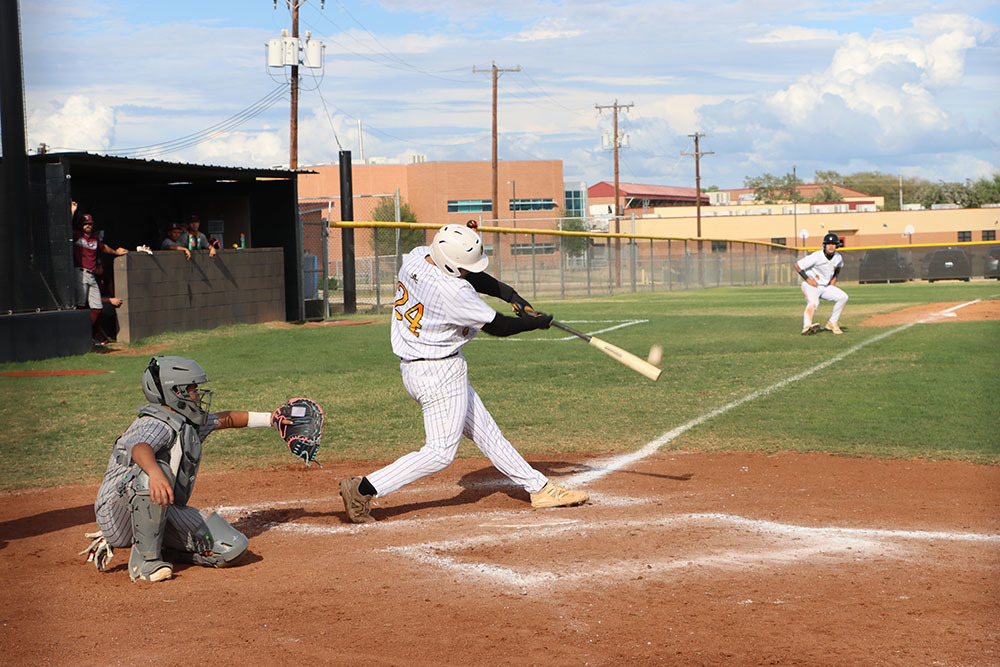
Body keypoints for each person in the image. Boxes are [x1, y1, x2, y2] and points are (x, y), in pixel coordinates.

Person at [339, 224, 589, 523]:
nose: (469, 272)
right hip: (439, 372)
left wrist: (510, 295)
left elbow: (468, 273)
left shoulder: (417, 257)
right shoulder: (452, 291)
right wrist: (535, 323)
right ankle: (364, 488)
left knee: (487, 433)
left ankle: (539, 488)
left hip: (420, 367)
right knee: (440, 452)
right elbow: (499, 326)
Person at [89, 356, 287, 582]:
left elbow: (227, 419)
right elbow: (139, 448)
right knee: (152, 473)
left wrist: (273, 419)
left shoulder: (184, 421)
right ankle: (145, 564)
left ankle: (169, 552)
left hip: (162, 507)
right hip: (116, 514)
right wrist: (155, 473)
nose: (198, 395)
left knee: (232, 547)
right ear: (176, 391)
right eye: (193, 389)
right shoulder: (155, 423)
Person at [72, 208, 127, 343]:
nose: (88, 226)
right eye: (85, 224)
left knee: (97, 307)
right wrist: (72, 212)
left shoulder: (94, 238)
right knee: (80, 306)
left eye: (90, 224)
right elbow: (65, 229)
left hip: (91, 275)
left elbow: (103, 247)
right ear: (81, 225)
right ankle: (79, 337)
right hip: (80, 272)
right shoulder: (77, 235)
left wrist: (115, 252)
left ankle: (91, 335)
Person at [795, 232, 849, 335]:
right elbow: (798, 266)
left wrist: (833, 280)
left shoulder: (838, 257)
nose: (831, 246)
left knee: (843, 297)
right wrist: (808, 279)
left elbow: (838, 268)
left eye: (833, 244)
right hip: (811, 285)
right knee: (813, 303)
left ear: (837, 245)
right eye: (828, 244)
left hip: (825, 286)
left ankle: (832, 322)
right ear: (824, 245)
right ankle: (806, 326)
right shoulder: (817, 256)